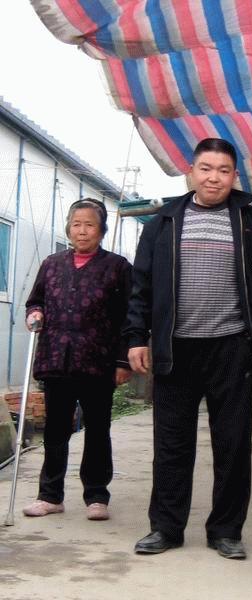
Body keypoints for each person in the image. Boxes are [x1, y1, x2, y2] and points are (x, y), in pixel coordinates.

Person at [125, 138, 252, 558]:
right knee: (171, 444)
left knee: (233, 443)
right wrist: (135, 338)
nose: (214, 178)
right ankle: (166, 528)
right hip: (175, 349)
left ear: (235, 176)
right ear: (191, 172)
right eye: (205, 169)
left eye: (223, 170)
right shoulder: (164, 222)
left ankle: (225, 531)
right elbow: (141, 286)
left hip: (230, 348)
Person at [23, 198, 132, 521]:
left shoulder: (118, 267)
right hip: (56, 359)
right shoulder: (51, 264)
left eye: (89, 225)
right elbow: (35, 300)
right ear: (68, 229)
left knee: (97, 429)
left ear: (101, 230)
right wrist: (35, 313)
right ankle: (50, 496)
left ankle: (96, 496)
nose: (82, 231)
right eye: (76, 224)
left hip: (98, 362)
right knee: (55, 430)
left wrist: (123, 361)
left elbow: (130, 317)